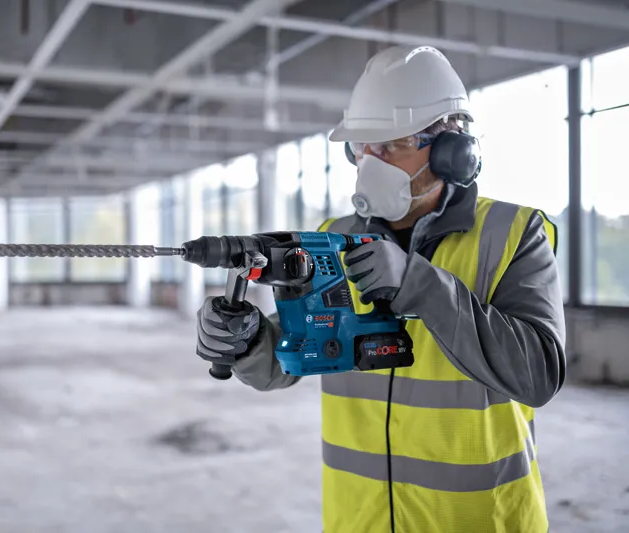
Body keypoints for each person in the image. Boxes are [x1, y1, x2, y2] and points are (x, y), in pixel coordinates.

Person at [194, 45, 566, 533]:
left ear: (451, 151)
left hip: (477, 520)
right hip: (358, 518)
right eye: (361, 147)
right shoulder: (333, 237)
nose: (370, 160)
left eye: (389, 145)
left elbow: (537, 374)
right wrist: (247, 343)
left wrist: (420, 285)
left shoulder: (512, 233)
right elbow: (295, 357)